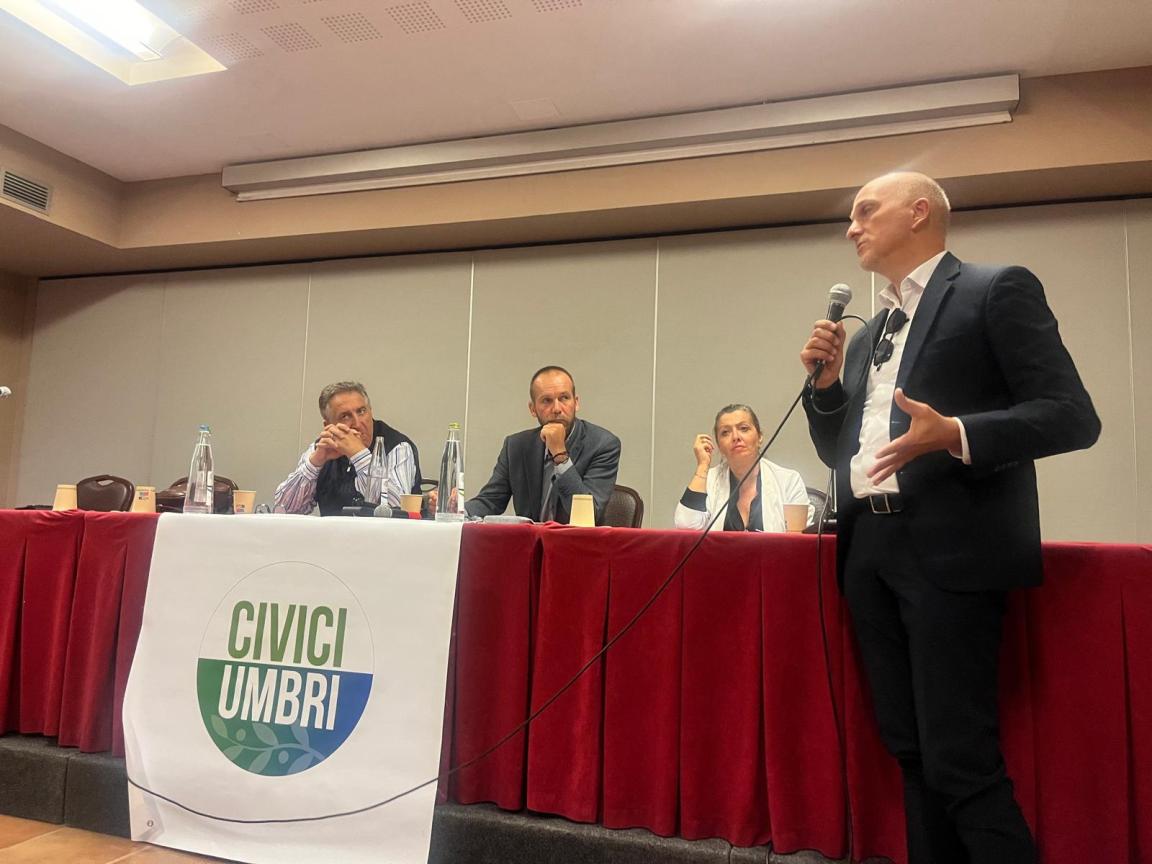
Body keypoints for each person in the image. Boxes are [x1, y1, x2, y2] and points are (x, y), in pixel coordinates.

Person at [800, 171, 1099, 864]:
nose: (851, 227)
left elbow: (1071, 416)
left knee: (960, 760)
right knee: (909, 752)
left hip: (948, 553)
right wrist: (826, 388)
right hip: (868, 550)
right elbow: (842, 449)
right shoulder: (872, 330)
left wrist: (958, 433)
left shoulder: (995, 289)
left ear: (919, 212)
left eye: (865, 211)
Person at [464, 365, 621, 524]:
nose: (557, 409)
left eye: (564, 398)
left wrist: (560, 455)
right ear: (533, 409)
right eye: (547, 401)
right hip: (530, 539)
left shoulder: (603, 444)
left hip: (576, 539)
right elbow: (490, 501)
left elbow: (588, 516)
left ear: (576, 403)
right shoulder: (516, 446)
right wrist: (454, 511)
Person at [274, 381, 422, 516]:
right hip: (331, 535)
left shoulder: (398, 447)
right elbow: (283, 510)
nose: (357, 423)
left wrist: (359, 455)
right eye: (345, 416)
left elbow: (394, 510)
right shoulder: (322, 447)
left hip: (382, 536)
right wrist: (314, 464)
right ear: (328, 425)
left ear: (371, 411)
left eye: (361, 411)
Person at [673, 403, 811, 532]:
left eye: (743, 429)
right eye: (725, 432)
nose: (735, 437)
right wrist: (702, 466)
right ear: (719, 446)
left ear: (760, 437)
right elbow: (685, 525)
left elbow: (799, 540)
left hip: (774, 552)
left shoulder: (788, 480)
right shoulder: (708, 481)